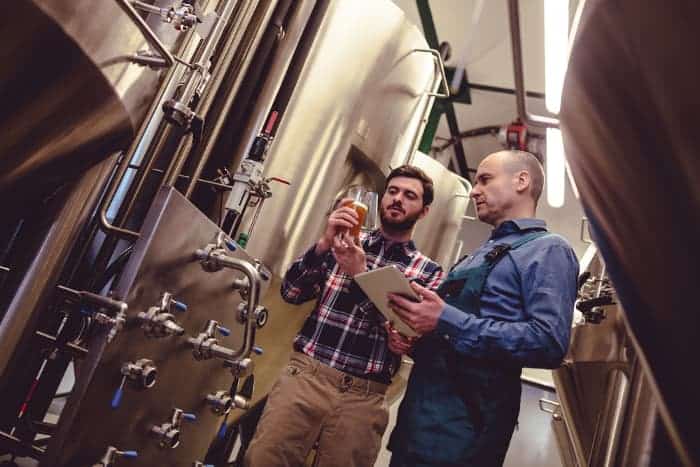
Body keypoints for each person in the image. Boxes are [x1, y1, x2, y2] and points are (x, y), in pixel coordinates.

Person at [386, 150, 579, 467]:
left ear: (521, 181)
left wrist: (445, 317)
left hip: (465, 435)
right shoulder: (479, 254)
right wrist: (415, 342)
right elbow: (453, 339)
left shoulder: (548, 249)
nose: (474, 190)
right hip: (419, 424)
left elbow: (549, 343)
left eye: (485, 180)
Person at [244, 165, 444, 467]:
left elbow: (403, 334)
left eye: (409, 195)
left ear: (424, 211)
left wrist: (359, 275)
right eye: (392, 191)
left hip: (364, 397)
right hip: (307, 377)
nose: (397, 199)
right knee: (263, 461)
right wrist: (323, 244)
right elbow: (291, 293)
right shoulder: (345, 242)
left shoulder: (428, 272)